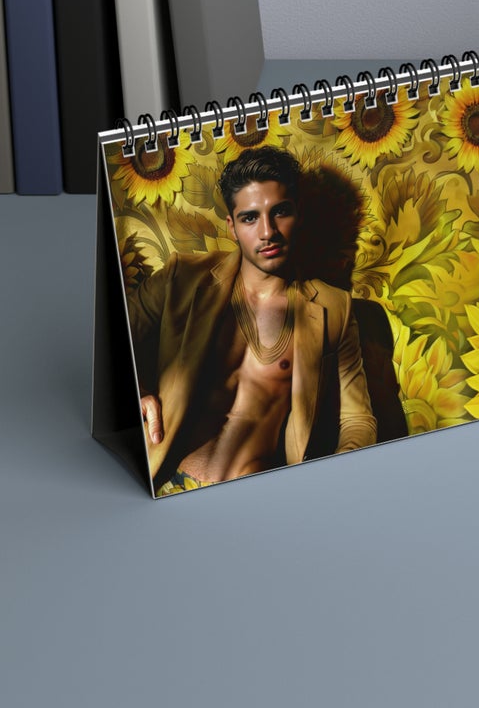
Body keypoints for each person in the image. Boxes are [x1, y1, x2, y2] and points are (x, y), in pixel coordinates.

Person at [128, 147, 377, 495]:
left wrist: (330, 481)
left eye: (280, 212)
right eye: (249, 218)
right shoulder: (182, 278)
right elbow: (110, 346)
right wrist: (137, 389)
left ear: (298, 214)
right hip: (166, 483)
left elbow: (357, 420)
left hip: (256, 495)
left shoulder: (334, 308)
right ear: (232, 226)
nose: (267, 232)